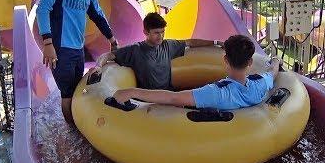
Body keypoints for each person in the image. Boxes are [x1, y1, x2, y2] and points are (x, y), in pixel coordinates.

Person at [36, 0, 119, 124]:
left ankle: (78, 124)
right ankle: (71, 130)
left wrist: (112, 39)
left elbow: (97, 15)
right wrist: (47, 43)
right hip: (59, 48)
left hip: (77, 49)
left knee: (77, 90)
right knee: (67, 94)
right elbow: (43, 9)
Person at [113, 34, 278, 110]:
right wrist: (276, 61)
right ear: (250, 62)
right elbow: (273, 72)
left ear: (225, 60)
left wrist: (133, 91)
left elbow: (173, 97)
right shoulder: (261, 83)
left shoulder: (216, 93)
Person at [91, 12, 222, 90]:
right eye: (156, 33)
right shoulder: (135, 49)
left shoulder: (168, 45)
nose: (160, 36)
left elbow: (191, 42)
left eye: (162, 32)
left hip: (169, 94)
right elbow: (108, 55)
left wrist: (216, 42)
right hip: (148, 100)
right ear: (145, 32)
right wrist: (98, 66)